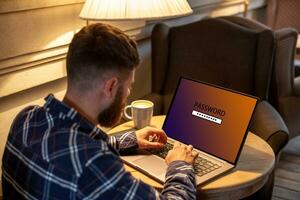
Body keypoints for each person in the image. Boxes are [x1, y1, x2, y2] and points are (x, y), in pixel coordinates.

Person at [2, 23, 198, 199]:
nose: (128, 94)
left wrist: (128, 141)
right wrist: (179, 165)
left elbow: (69, 146)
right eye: (129, 86)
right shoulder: (95, 165)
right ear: (111, 87)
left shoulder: (26, 119)